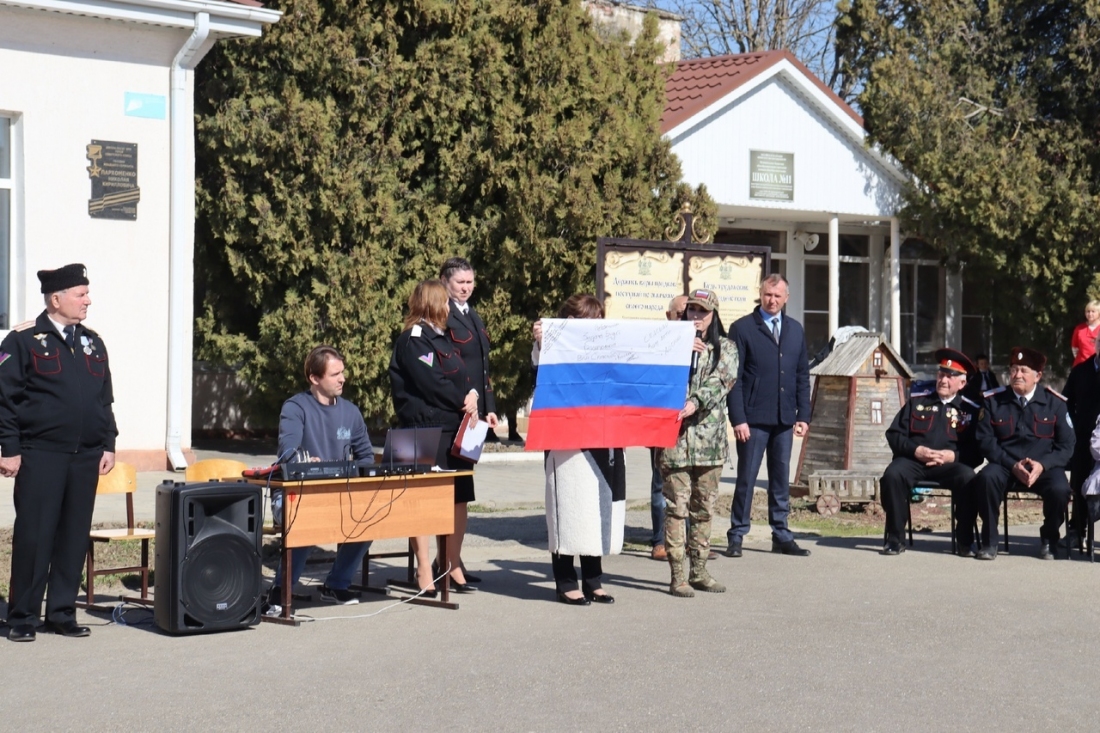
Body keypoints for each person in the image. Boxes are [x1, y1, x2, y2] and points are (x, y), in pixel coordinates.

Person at [0, 264, 117, 642]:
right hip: (41, 454)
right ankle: (22, 616)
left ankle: (62, 612)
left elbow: (104, 400)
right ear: (56, 298)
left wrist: (109, 444)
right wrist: (9, 449)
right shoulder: (22, 341)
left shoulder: (93, 342)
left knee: (72, 535)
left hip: (85, 456)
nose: (88, 300)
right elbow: (5, 400)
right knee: (35, 535)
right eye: (81, 294)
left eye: (87, 293)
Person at [265, 346, 377, 615]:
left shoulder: (350, 412)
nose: (342, 379)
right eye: (335, 374)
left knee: (371, 515)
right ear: (314, 378)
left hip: (339, 495)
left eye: (343, 372)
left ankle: (336, 584)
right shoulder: (295, 408)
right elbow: (288, 453)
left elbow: (366, 457)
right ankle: (281, 591)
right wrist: (305, 463)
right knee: (305, 518)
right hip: (294, 494)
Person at [390, 279, 480, 594]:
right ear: (430, 304)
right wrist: (463, 397)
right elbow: (433, 383)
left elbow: (463, 376)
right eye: (443, 302)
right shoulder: (413, 340)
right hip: (425, 432)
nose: (448, 308)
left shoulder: (442, 338)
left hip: (455, 430)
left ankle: (451, 565)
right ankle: (424, 570)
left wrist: (472, 393)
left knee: (459, 499)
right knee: (423, 504)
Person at [532, 294, 622, 605]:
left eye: (597, 319)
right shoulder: (551, 344)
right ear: (571, 321)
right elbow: (542, 378)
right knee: (567, 509)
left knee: (595, 510)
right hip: (565, 439)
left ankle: (594, 580)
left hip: (600, 435)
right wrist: (545, 344)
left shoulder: (607, 347)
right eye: (588, 319)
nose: (594, 325)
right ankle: (566, 581)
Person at [724, 273, 812, 558]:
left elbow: (801, 375)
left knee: (779, 478)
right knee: (747, 478)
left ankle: (781, 534)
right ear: (760, 295)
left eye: (777, 296)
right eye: (767, 295)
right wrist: (738, 419)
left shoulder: (795, 330)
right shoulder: (742, 329)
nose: (772, 301)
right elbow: (732, 378)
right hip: (753, 419)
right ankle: (737, 534)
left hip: (785, 419)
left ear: (786, 298)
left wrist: (803, 415)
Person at [659, 289, 737, 596]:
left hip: (710, 445)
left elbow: (721, 381)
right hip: (673, 443)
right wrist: (676, 350)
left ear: (713, 316)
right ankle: (677, 573)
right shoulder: (666, 345)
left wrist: (694, 401)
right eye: (690, 311)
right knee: (676, 510)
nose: (695, 317)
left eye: (702, 312)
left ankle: (699, 570)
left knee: (703, 510)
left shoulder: (727, 348)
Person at [964, 347, 1075, 560]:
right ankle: (989, 542)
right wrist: (1011, 464)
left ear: (1038, 376)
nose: (1018, 375)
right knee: (986, 479)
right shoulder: (994, 400)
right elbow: (985, 440)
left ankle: (1049, 539)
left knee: (1061, 490)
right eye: (1014, 369)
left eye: (1024, 370)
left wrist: (1042, 465)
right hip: (1005, 465)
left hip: (1043, 467)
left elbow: (1067, 445)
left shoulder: (1055, 403)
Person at [879, 349, 982, 556]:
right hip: (914, 461)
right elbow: (894, 435)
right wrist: (917, 450)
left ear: (962, 383)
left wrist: (953, 456)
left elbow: (978, 451)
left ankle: (964, 540)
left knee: (969, 478)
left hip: (950, 465)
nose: (944, 380)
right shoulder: (917, 402)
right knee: (892, 475)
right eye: (941, 374)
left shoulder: (970, 411)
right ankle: (895, 538)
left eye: (950, 376)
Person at [439, 257, 498, 585]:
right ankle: (449, 564)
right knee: (454, 490)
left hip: (474, 416)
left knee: (463, 489)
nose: (467, 287)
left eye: (470, 282)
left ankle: (451, 559)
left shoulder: (470, 314)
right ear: (445, 282)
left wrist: (489, 405)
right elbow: (449, 367)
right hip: (456, 412)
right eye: (461, 282)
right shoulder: (443, 314)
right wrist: (468, 400)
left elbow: (482, 367)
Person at [648, 294, 688, 561]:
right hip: (662, 422)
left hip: (693, 425)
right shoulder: (657, 343)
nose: (684, 318)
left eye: (689, 313)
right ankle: (659, 540)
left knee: (691, 485)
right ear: (668, 315)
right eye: (680, 313)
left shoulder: (702, 343)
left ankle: (692, 541)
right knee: (661, 483)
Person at [1062, 330, 1100, 547]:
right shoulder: (1081, 371)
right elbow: (1066, 402)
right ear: (1096, 345)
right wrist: (1073, 426)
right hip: (1084, 436)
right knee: (1080, 481)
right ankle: (1077, 528)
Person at [1070, 300, 1100, 368]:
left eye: (1093, 311)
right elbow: (1075, 348)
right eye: (1088, 311)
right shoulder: (1079, 329)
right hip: (1081, 366)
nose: (1090, 314)